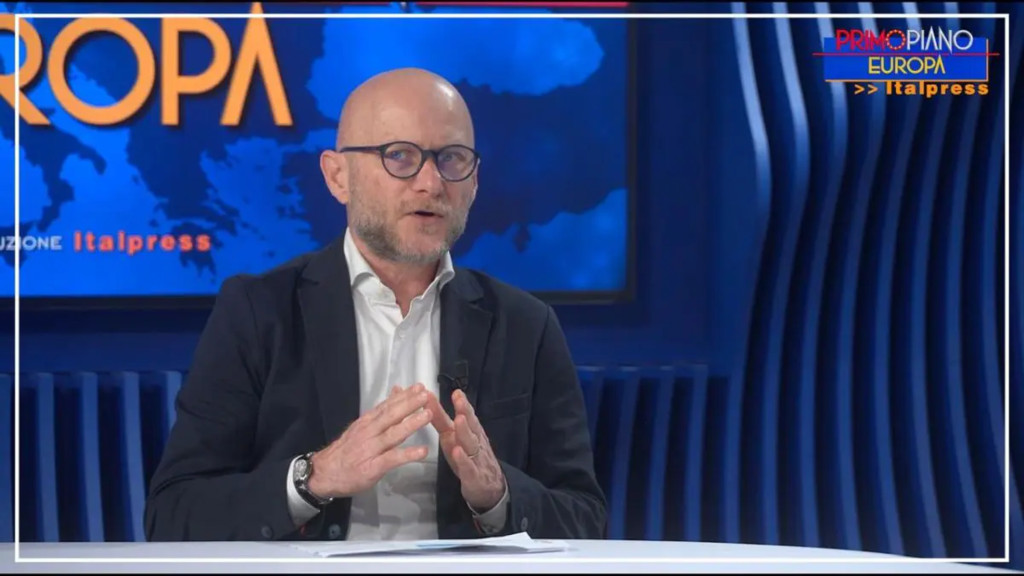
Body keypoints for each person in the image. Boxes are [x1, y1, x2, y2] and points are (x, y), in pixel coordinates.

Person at [144, 67, 607, 542]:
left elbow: (585, 517)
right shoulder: (258, 312)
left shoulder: (526, 325)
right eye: (400, 155)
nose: (431, 183)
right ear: (337, 176)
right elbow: (174, 513)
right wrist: (314, 477)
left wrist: (498, 496)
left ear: (474, 183)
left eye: (451, 159)